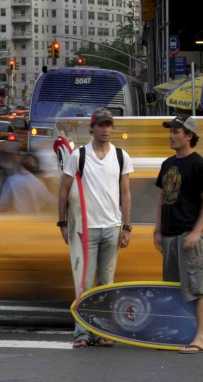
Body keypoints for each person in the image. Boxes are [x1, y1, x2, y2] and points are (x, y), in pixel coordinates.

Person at [57, 108, 134, 349]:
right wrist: (62, 222)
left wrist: (127, 227)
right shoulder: (79, 156)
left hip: (112, 227)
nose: (105, 129)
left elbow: (126, 194)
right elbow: (63, 190)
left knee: (106, 284)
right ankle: (82, 332)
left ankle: (103, 331)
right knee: (84, 285)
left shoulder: (121, 156)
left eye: (109, 125)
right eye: (101, 125)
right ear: (92, 128)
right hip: (85, 230)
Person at [154, 115, 203, 354]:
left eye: (176, 132)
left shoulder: (199, 164)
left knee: (198, 288)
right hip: (169, 237)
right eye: (170, 131)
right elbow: (161, 199)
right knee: (173, 289)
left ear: (189, 135)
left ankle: (201, 338)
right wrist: (157, 230)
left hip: (188, 237)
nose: (171, 135)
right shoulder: (167, 164)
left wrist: (196, 231)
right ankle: (177, 333)